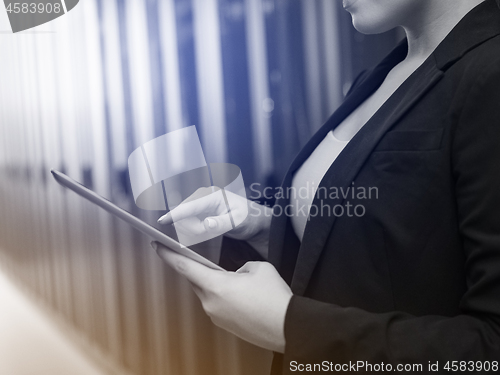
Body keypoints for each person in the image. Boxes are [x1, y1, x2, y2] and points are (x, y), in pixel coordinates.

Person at [154, 0, 500, 373]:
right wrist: (268, 230)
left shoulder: (489, 73)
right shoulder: (383, 75)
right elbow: (391, 264)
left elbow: (490, 347)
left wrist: (290, 326)